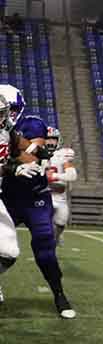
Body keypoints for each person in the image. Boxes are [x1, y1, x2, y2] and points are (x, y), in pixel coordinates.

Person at [0, 85, 75, 318]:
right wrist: (15, 166)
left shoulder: (23, 125)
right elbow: (20, 158)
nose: (7, 115)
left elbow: (30, 151)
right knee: (5, 249)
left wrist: (46, 155)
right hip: (7, 195)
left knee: (42, 245)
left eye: (8, 110)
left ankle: (59, 294)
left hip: (34, 197)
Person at [0, 94, 20, 306]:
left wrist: (37, 153)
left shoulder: (6, 129)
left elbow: (19, 143)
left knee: (9, 252)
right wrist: (13, 168)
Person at [43, 127, 77, 245]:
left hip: (60, 196)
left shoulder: (63, 154)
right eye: (48, 139)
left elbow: (72, 176)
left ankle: (57, 236)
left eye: (53, 139)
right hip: (43, 195)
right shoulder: (36, 153)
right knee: (44, 224)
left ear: (58, 140)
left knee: (61, 222)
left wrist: (54, 176)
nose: (50, 142)